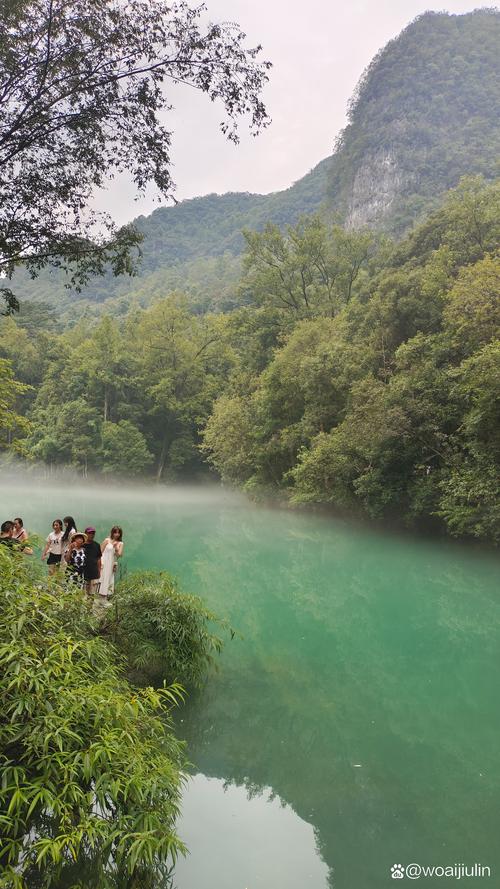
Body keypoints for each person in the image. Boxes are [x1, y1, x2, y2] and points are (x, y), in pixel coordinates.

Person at [99, 526, 124, 599]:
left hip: (111, 562)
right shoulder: (107, 540)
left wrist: (116, 547)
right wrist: (100, 562)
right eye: (115, 532)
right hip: (103, 561)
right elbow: (100, 552)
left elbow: (119, 555)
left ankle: (104, 597)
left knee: (108, 577)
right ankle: (98, 595)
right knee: (101, 577)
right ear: (112, 533)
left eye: (118, 533)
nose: (117, 534)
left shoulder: (121, 543)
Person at [83, 527, 102, 594]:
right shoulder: (82, 545)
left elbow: (99, 558)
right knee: (84, 591)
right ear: (85, 534)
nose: (91, 535)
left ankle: (90, 601)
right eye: (89, 533)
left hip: (94, 572)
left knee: (93, 592)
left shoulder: (97, 545)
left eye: (93, 533)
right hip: (84, 571)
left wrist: (99, 570)